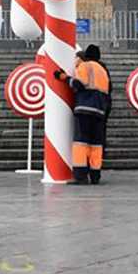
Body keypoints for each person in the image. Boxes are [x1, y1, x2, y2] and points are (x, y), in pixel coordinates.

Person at [54, 44, 111, 185]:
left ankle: (80, 176)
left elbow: (78, 84)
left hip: (85, 109)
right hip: (100, 112)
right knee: (96, 145)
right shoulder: (103, 71)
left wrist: (63, 77)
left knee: (81, 143)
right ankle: (95, 175)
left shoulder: (85, 66)